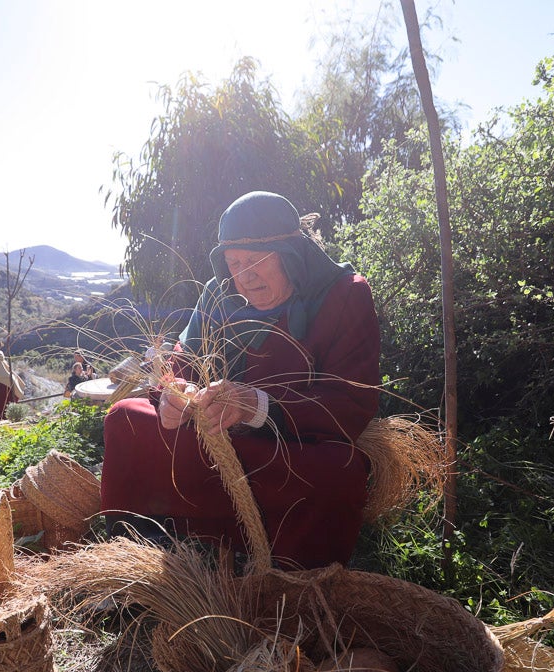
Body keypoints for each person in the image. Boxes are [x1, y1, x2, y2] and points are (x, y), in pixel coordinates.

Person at [100, 191, 380, 570]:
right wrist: (172, 396)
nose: (245, 278)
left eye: (256, 262)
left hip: (287, 451)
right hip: (216, 443)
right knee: (125, 419)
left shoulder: (344, 295)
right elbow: (183, 362)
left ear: (293, 255)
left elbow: (351, 402)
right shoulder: (218, 293)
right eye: (234, 263)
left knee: (339, 474)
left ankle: (288, 569)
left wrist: (256, 406)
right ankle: (144, 537)